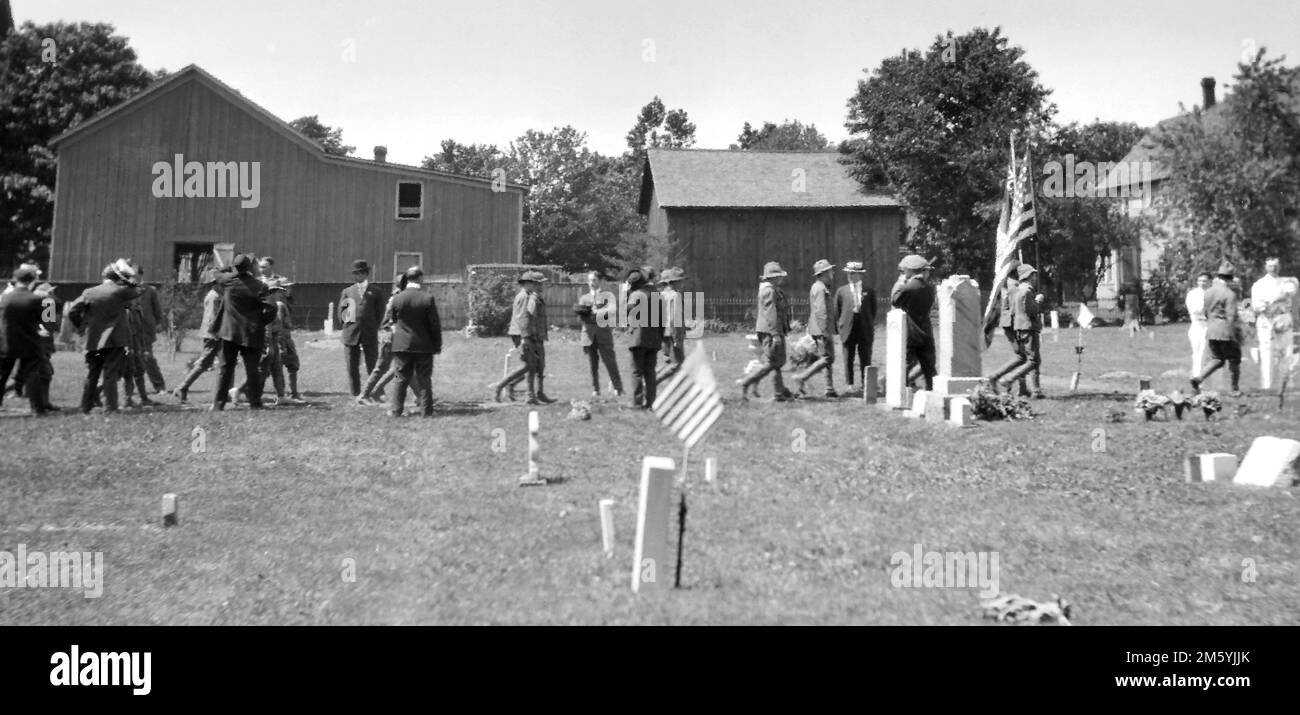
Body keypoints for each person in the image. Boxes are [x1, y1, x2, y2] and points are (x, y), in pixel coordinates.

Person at [66, 259, 142, 413]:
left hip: (93, 339)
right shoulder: (120, 291)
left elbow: (72, 311)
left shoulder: (89, 292)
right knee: (110, 374)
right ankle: (111, 407)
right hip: (115, 339)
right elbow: (137, 290)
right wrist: (129, 278)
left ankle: (85, 406)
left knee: (92, 373)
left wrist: (81, 326)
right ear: (118, 277)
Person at [211, 253, 273, 411]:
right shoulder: (260, 286)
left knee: (225, 369)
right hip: (251, 333)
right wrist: (261, 322)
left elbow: (215, 272)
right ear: (250, 267)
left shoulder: (227, 281)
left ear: (235, 267)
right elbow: (271, 308)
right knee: (252, 370)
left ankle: (218, 405)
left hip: (229, 333)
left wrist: (229, 268)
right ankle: (255, 403)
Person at [386, 266, 442, 418]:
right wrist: (437, 345)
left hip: (402, 344)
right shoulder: (427, 298)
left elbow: (393, 321)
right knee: (424, 379)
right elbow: (434, 324)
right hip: (423, 345)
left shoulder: (397, 298)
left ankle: (396, 411)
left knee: (400, 379)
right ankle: (427, 412)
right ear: (420, 278)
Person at [494, 270, 555, 404]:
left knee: (538, 365)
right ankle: (501, 386)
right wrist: (525, 338)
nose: (541, 286)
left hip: (534, 335)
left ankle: (535, 394)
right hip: (524, 335)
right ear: (529, 284)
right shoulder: (525, 297)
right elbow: (523, 318)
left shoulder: (532, 295)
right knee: (529, 365)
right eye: (538, 284)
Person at [737, 262, 794, 401]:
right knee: (774, 362)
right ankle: (747, 382)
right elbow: (770, 313)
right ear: (772, 277)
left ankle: (780, 393)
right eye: (778, 276)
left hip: (772, 330)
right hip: (770, 331)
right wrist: (775, 334)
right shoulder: (769, 291)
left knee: (777, 361)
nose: (781, 278)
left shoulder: (772, 289)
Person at [0, 267, 54, 415]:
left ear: (15, 279)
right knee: (32, 376)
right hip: (30, 343)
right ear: (32, 281)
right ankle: (37, 409)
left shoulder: (4, 297)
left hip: (6, 343)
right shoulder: (37, 299)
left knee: (2, 375)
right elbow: (47, 322)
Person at [988, 264, 1045, 397]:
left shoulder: (1013, 285)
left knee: (1024, 357)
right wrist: (1038, 302)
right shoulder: (1016, 287)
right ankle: (1010, 381)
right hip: (1018, 325)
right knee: (1028, 358)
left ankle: (1024, 388)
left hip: (1016, 325)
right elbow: (1026, 309)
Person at [1192, 261, 1243, 397]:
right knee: (1234, 358)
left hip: (1211, 329)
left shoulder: (1208, 292)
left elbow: (1205, 312)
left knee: (1217, 358)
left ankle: (1198, 378)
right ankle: (1234, 388)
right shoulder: (1229, 294)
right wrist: (1234, 335)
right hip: (1226, 330)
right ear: (1230, 279)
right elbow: (1231, 316)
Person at [171, 270, 221, 403]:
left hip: (214, 334)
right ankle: (182, 387)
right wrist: (215, 334)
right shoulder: (214, 296)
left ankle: (222, 392)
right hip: (213, 335)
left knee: (222, 363)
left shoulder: (216, 295)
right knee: (205, 363)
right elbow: (212, 318)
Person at [338, 260, 386, 397]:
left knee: (373, 364)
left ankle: (375, 392)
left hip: (369, 332)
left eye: (359, 273)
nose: (356, 276)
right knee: (352, 365)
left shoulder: (376, 292)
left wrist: (373, 326)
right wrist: (347, 326)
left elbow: (380, 312)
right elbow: (341, 312)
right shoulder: (347, 291)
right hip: (351, 333)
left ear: (366, 273)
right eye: (354, 273)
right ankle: (355, 392)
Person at [890, 255, 937, 391]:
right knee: (929, 367)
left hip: (910, 332)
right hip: (926, 331)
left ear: (910, 271)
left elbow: (895, 300)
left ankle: (902, 393)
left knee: (905, 365)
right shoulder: (930, 288)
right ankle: (931, 393)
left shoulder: (908, 287)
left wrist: (900, 284)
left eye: (904, 270)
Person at [792, 259, 838, 397]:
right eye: (830, 271)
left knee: (828, 357)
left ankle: (829, 388)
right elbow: (821, 311)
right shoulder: (820, 288)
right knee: (827, 358)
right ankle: (802, 378)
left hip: (821, 328)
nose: (833, 273)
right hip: (821, 329)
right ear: (824, 273)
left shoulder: (820, 287)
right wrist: (825, 331)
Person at [358, 274, 405, 406]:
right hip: (391, 337)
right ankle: (365, 394)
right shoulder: (398, 298)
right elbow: (391, 320)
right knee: (382, 368)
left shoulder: (399, 296)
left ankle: (421, 396)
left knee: (402, 367)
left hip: (394, 336)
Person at [575, 270, 623, 397]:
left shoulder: (608, 296)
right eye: (590, 280)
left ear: (600, 281)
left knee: (610, 362)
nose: (591, 283)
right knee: (592, 364)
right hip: (589, 334)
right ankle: (595, 389)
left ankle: (618, 387)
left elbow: (612, 311)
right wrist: (585, 313)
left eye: (594, 280)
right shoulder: (584, 298)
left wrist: (599, 312)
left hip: (603, 334)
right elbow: (580, 318)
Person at [1250, 257, 1294, 387]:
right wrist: (1271, 304)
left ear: (1279, 267)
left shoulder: (1286, 282)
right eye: (1270, 266)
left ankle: (1285, 385)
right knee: (1266, 352)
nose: (1273, 268)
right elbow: (1256, 305)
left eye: (1275, 266)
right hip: (1266, 320)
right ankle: (1267, 385)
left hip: (1282, 319)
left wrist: (1273, 301)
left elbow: (1289, 293)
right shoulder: (1259, 284)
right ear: (1265, 267)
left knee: (1285, 352)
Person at [834, 260, 876, 393]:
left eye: (852, 273)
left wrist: (867, 322)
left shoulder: (869, 291)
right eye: (848, 273)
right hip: (847, 328)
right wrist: (840, 327)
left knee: (865, 356)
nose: (850, 276)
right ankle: (849, 384)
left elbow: (873, 310)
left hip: (864, 328)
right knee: (848, 357)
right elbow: (837, 311)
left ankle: (866, 384)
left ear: (860, 275)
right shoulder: (841, 291)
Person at [625, 267, 662, 408]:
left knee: (636, 371)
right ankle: (651, 402)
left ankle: (637, 403)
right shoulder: (657, 294)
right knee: (650, 372)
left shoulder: (636, 295)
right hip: (654, 338)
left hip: (638, 338)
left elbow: (628, 313)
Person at [134, 265, 167, 393]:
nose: (132, 276)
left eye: (135, 274)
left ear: (141, 275)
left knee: (148, 359)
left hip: (145, 330)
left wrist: (157, 324)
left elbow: (157, 310)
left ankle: (159, 386)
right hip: (129, 330)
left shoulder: (150, 290)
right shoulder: (125, 289)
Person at [657, 267, 687, 382]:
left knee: (670, 362)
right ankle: (654, 381)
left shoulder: (661, 294)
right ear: (674, 282)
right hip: (673, 333)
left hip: (663, 333)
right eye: (680, 281)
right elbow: (675, 319)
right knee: (677, 364)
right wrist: (677, 338)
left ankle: (653, 381)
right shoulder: (675, 295)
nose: (682, 283)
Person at [1186, 271, 1211, 377]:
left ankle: (1207, 379)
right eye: (1200, 280)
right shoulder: (1192, 294)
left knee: (1208, 353)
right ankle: (1197, 377)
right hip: (1197, 324)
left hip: (1209, 324)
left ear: (1209, 282)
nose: (1202, 283)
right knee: (1198, 352)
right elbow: (1195, 310)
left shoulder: (1212, 293)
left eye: (1204, 281)